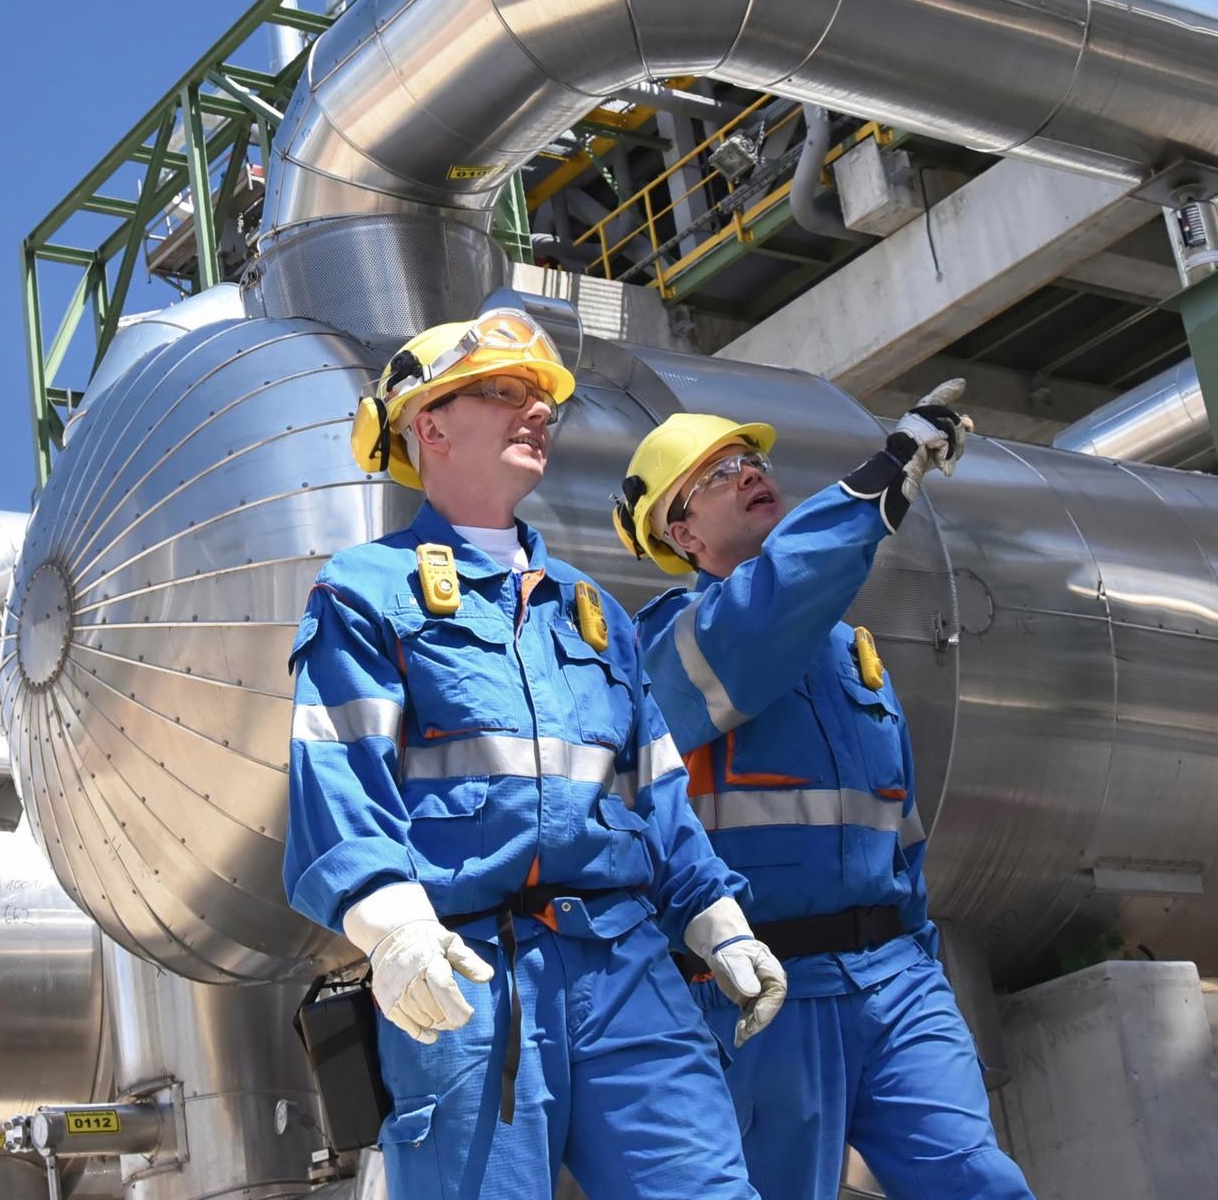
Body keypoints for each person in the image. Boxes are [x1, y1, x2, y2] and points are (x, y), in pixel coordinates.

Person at [285, 307, 787, 1200]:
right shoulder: (366, 592)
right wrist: (393, 927)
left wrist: (719, 921)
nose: (536, 413)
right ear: (428, 426)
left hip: (627, 967)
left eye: (543, 400)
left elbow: (653, 789)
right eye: (505, 393)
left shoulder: (593, 611)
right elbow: (339, 776)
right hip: (469, 973)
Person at [615, 390, 1036, 1200]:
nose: (748, 477)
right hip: (764, 993)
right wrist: (885, 476)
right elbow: (771, 606)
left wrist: (920, 960)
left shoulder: (852, 656)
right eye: (717, 476)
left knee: (977, 1179)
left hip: (893, 978)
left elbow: (898, 830)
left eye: (752, 463)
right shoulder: (670, 647)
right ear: (682, 533)